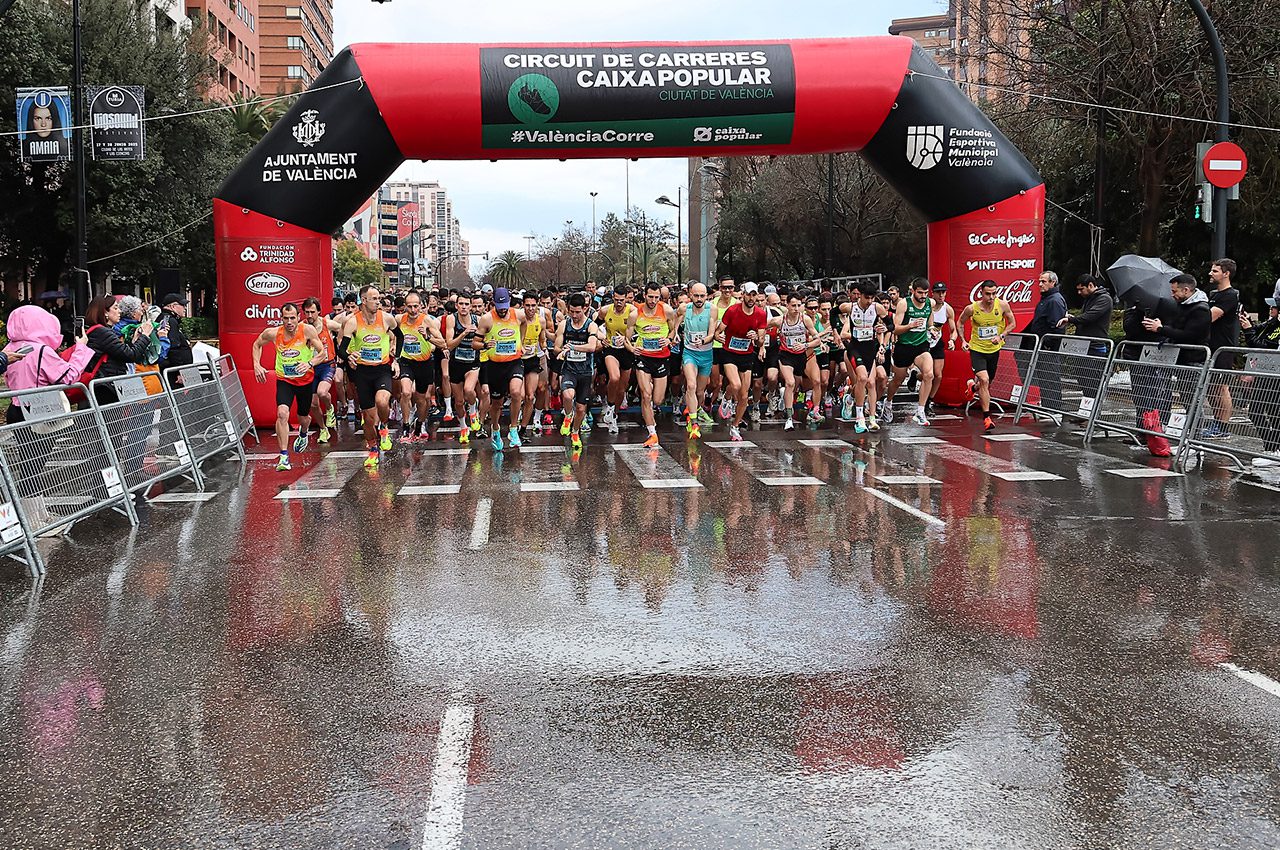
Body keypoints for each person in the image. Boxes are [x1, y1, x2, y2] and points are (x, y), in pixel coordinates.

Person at [252, 303, 326, 471]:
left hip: (305, 381)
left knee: (303, 418)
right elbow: (257, 345)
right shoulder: (273, 333)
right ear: (281, 319)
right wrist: (256, 364)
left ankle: (303, 432)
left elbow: (323, 353)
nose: (290, 322)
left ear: (298, 318)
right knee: (282, 413)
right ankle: (284, 456)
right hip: (285, 380)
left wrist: (309, 363)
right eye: (286, 318)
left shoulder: (307, 331)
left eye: (293, 318)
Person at [338, 285, 402, 469]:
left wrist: (395, 359)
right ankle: (373, 450)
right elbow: (342, 348)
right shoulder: (352, 322)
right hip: (362, 372)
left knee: (382, 402)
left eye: (379, 298)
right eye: (374, 298)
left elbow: (401, 336)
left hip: (382, 368)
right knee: (367, 418)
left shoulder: (387, 318)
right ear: (363, 300)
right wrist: (349, 356)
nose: (378, 302)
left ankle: (384, 428)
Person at [959, 279, 1017, 432]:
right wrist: (963, 340)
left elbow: (1012, 323)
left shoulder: (1002, 305)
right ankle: (987, 418)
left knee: (987, 383)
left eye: (994, 294)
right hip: (977, 349)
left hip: (994, 349)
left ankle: (973, 387)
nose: (991, 297)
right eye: (987, 294)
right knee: (984, 379)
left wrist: (1002, 335)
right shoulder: (972, 309)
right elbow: (960, 323)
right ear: (981, 293)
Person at [476, 287, 527, 452]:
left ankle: (513, 429)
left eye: (505, 305)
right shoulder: (486, 319)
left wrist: (522, 343)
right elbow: (474, 343)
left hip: (514, 361)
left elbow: (524, 324)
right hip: (495, 366)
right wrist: (484, 345)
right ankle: (496, 429)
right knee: (496, 403)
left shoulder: (518, 315)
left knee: (516, 392)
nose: (503, 309)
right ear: (493, 304)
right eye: (500, 306)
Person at [626, 282, 676, 448]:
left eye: (656, 297)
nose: (653, 300)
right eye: (650, 297)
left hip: (661, 357)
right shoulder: (635, 314)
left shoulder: (667, 310)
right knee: (646, 394)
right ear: (644, 295)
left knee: (658, 399)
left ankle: (651, 417)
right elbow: (627, 337)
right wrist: (632, 348)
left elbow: (673, 330)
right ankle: (652, 432)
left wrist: (668, 339)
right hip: (643, 357)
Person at [717, 281, 768, 442]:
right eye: (749, 295)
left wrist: (757, 338)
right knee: (736, 385)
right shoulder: (732, 311)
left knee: (744, 396)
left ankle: (735, 426)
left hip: (746, 354)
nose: (752, 298)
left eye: (754, 295)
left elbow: (761, 341)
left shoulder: (760, 314)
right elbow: (719, 331)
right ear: (743, 295)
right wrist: (719, 336)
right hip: (729, 353)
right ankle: (726, 398)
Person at [770, 293, 828, 432]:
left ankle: (813, 410)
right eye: (793, 305)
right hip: (785, 356)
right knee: (790, 383)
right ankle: (789, 419)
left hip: (803, 355)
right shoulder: (780, 320)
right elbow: (761, 327)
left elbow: (817, 340)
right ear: (787, 306)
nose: (796, 308)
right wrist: (757, 340)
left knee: (810, 383)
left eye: (798, 305)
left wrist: (805, 345)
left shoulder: (805, 319)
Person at [885, 278, 939, 427]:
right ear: (913, 291)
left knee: (929, 374)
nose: (923, 296)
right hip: (904, 346)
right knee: (898, 379)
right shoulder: (904, 304)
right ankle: (888, 402)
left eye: (926, 293)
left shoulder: (930, 303)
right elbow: (895, 328)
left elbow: (930, 324)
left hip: (921, 346)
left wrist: (932, 331)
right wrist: (910, 325)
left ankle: (920, 411)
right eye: (920, 292)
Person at [85, 295, 165, 395]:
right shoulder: (102, 332)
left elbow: (121, 352)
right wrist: (145, 335)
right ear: (105, 312)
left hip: (108, 383)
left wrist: (135, 341)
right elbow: (131, 355)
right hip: (106, 387)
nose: (119, 311)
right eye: (115, 308)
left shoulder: (103, 331)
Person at [397, 291, 447, 442]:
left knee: (421, 399)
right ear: (405, 307)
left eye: (416, 307)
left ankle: (419, 425)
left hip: (424, 363)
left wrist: (428, 336)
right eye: (409, 307)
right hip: (406, 361)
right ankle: (405, 428)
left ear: (421, 306)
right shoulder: (399, 320)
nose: (413, 310)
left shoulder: (427, 321)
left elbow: (443, 343)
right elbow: (391, 335)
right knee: (405, 392)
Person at [553, 293, 601, 450]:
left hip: (585, 372)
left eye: (577, 312)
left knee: (581, 408)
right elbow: (556, 348)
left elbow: (592, 346)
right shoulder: (564, 325)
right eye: (571, 311)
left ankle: (575, 432)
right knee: (567, 395)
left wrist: (572, 347)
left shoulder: (591, 326)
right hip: (569, 370)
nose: (574, 315)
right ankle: (568, 415)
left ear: (585, 309)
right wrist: (562, 351)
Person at [671, 282, 719, 440]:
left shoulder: (712, 309)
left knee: (699, 391)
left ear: (707, 296)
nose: (699, 299)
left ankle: (695, 410)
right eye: (696, 295)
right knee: (690, 385)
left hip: (706, 354)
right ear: (690, 295)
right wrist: (675, 333)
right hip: (690, 353)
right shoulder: (685, 308)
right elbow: (676, 321)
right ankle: (693, 421)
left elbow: (712, 333)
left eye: (702, 296)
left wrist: (704, 340)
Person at [1202, 258, 1241, 438]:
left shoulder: (1230, 295)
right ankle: (1216, 421)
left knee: (1221, 386)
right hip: (1210, 345)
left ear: (1226, 274)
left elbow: (1210, 317)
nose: (1211, 273)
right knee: (1210, 386)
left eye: (1215, 271)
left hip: (1223, 347)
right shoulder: (1212, 294)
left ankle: (1223, 427)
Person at [842, 281, 888, 433]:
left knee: (871, 383)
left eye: (872, 298)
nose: (869, 301)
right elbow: (843, 333)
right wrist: (859, 331)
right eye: (866, 298)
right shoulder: (851, 310)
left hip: (871, 350)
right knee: (860, 381)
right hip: (854, 350)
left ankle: (872, 418)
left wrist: (881, 344)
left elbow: (887, 328)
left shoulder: (876, 310)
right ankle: (852, 404)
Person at [301, 297, 343, 444]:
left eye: (312, 312)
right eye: (307, 312)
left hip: (327, 364)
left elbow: (344, 329)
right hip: (311, 367)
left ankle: (330, 408)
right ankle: (323, 429)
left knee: (322, 392)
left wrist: (342, 348)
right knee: (313, 404)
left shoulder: (327, 324)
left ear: (319, 312)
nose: (310, 316)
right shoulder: (302, 327)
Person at [1025, 271, 1068, 411]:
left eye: (1043, 281)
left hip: (1048, 347)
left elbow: (1057, 326)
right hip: (1041, 346)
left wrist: (1049, 344)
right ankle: (1048, 406)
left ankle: (1054, 407)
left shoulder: (1054, 300)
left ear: (1052, 282)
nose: (1040, 284)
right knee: (1045, 377)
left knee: (1050, 378)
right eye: (1039, 281)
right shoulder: (1047, 299)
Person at [445, 292, 484, 444]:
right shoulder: (451, 319)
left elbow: (484, 340)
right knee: (459, 402)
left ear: (471, 306)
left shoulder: (478, 320)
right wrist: (463, 333)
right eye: (461, 304)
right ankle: (463, 427)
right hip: (456, 363)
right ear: (456, 305)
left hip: (472, 363)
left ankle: (473, 413)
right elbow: (449, 344)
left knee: (469, 390)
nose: (464, 307)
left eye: (467, 304)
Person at [596, 286, 635, 434]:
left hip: (626, 350)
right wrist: (602, 338)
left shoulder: (632, 311)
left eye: (622, 300)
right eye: (616, 300)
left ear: (626, 299)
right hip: (611, 349)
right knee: (614, 377)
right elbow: (596, 326)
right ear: (613, 298)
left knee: (621, 389)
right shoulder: (605, 310)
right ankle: (610, 406)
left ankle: (613, 416)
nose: (619, 303)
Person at [517, 290, 549, 439]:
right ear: (523, 305)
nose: (530, 308)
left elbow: (542, 339)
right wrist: (519, 347)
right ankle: (514, 424)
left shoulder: (541, 321)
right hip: (517, 360)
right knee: (520, 395)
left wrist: (545, 349)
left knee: (530, 396)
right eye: (527, 305)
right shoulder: (517, 320)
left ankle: (523, 430)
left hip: (533, 359)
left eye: (533, 305)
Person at [924, 282, 958, 416]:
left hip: (937, 342)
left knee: (938, 375)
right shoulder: (927, 307)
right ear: (933, 293)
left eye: (943, 292)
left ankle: (928, 402)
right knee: (927, 374)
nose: (941, 295)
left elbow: (953, 330)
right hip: (923, 342)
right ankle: (915, 376)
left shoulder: (948, 309)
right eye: (938, 292)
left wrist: (952, 340)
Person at [157, 293, 194, 385]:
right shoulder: (169, 321)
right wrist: (179, 372)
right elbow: (173, 348)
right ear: (173, 306)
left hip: (170, 370)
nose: (185, 308)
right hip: (172, 374)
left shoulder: (166, 319)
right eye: (183, 305)